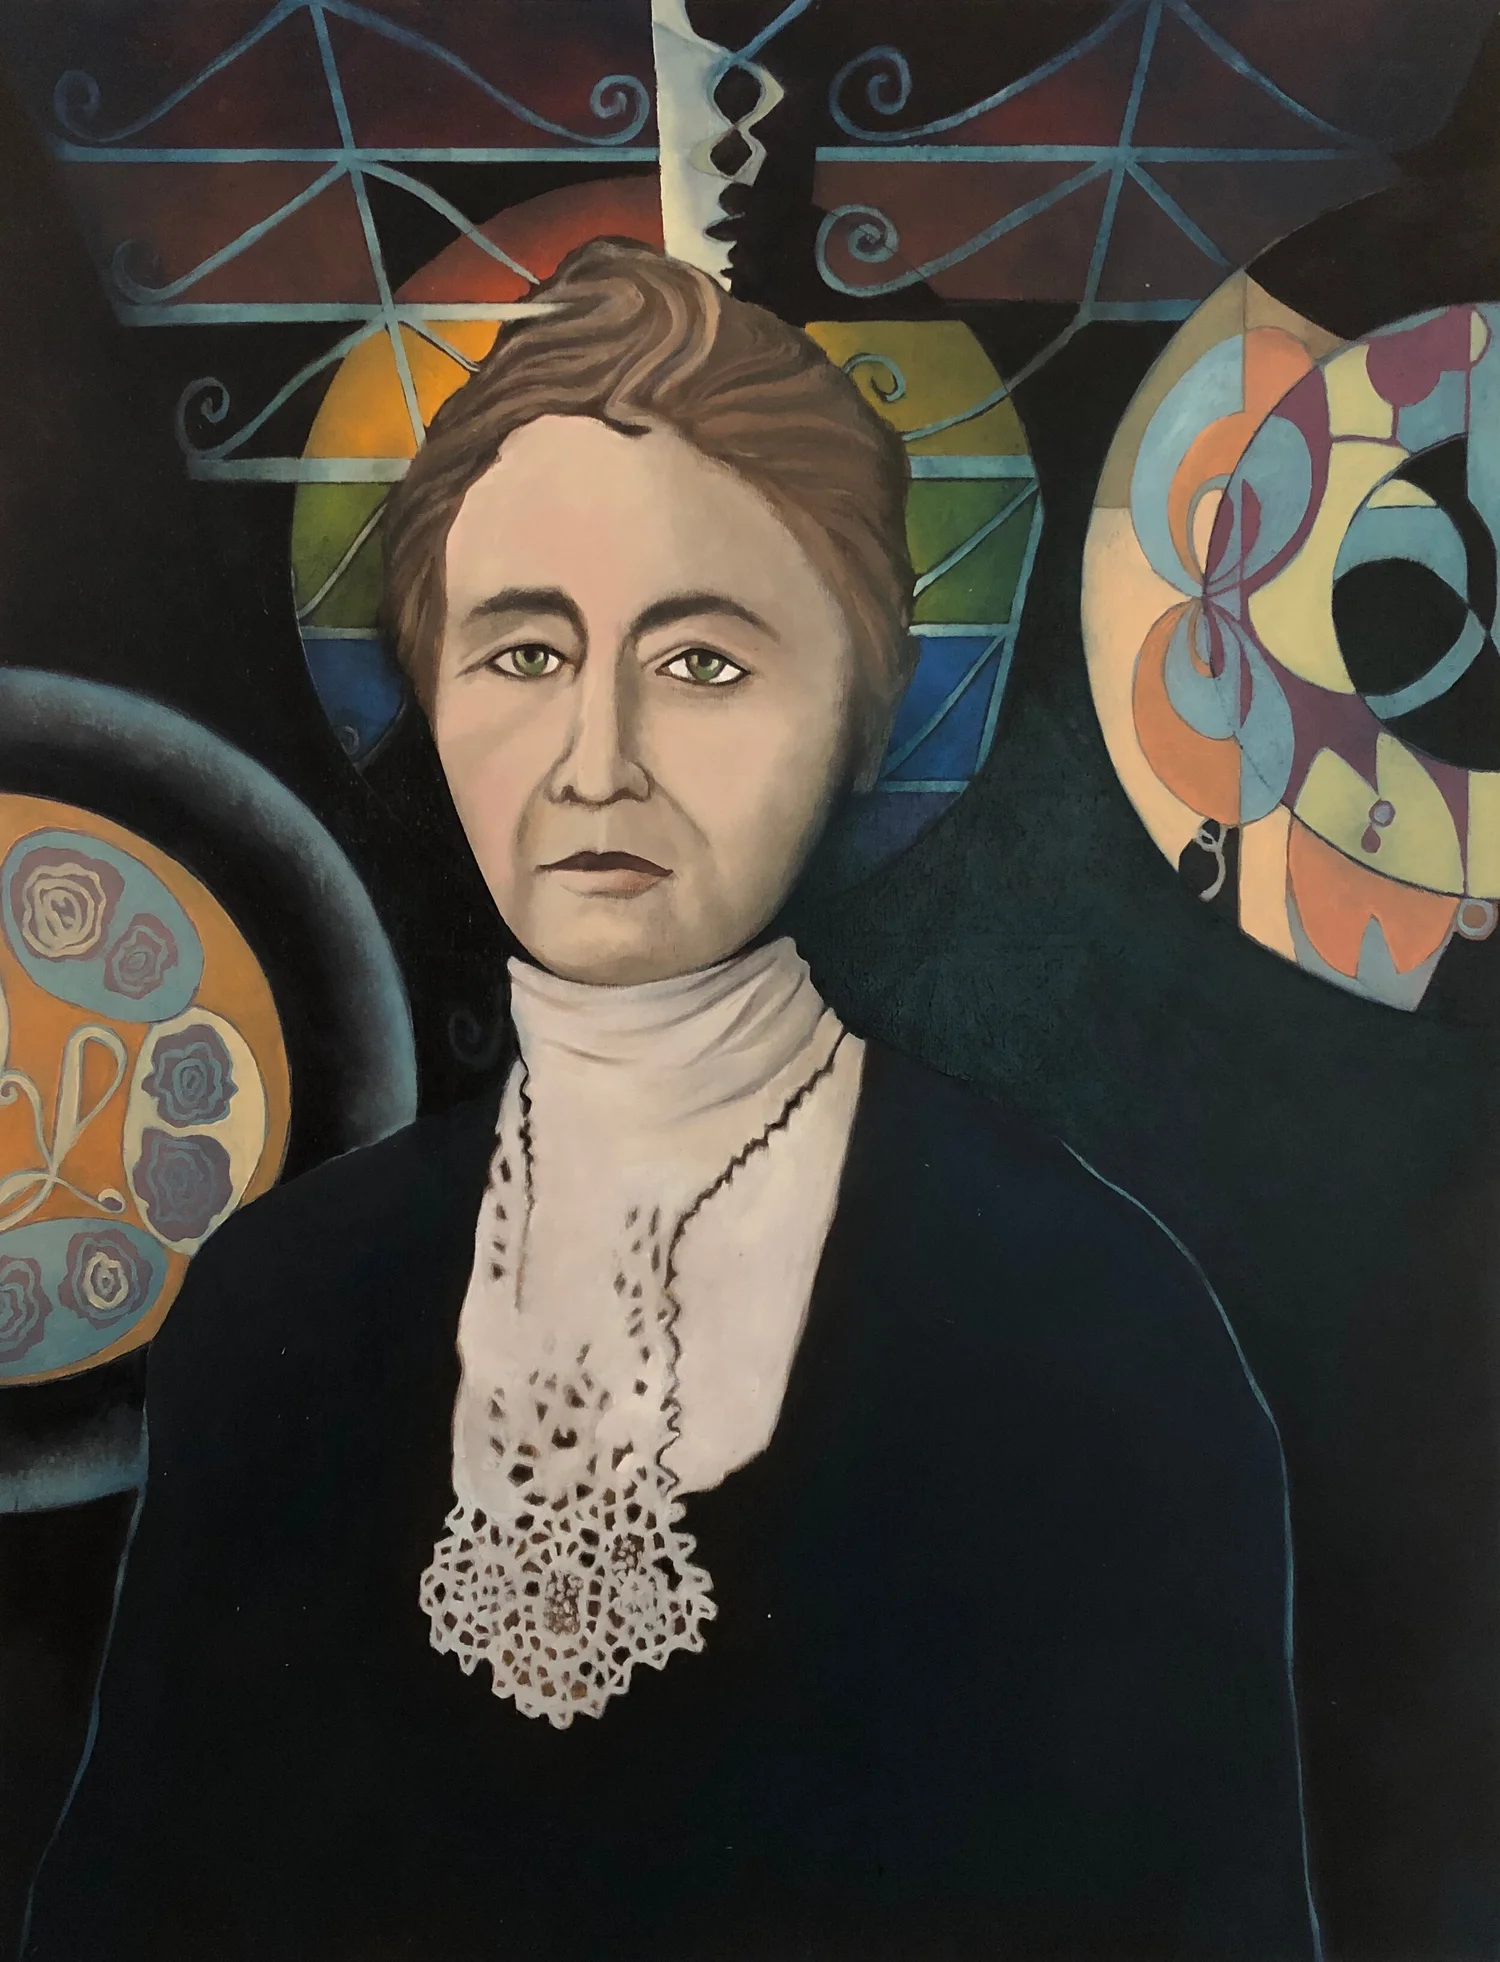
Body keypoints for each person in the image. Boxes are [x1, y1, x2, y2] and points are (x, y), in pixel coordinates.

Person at [28, 241, 1320, 1961]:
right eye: (521, 653)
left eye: (702, 661)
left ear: (858, 703)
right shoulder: (279, 1307)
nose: (596, 761)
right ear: (429, 683)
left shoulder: (1083, 1316)